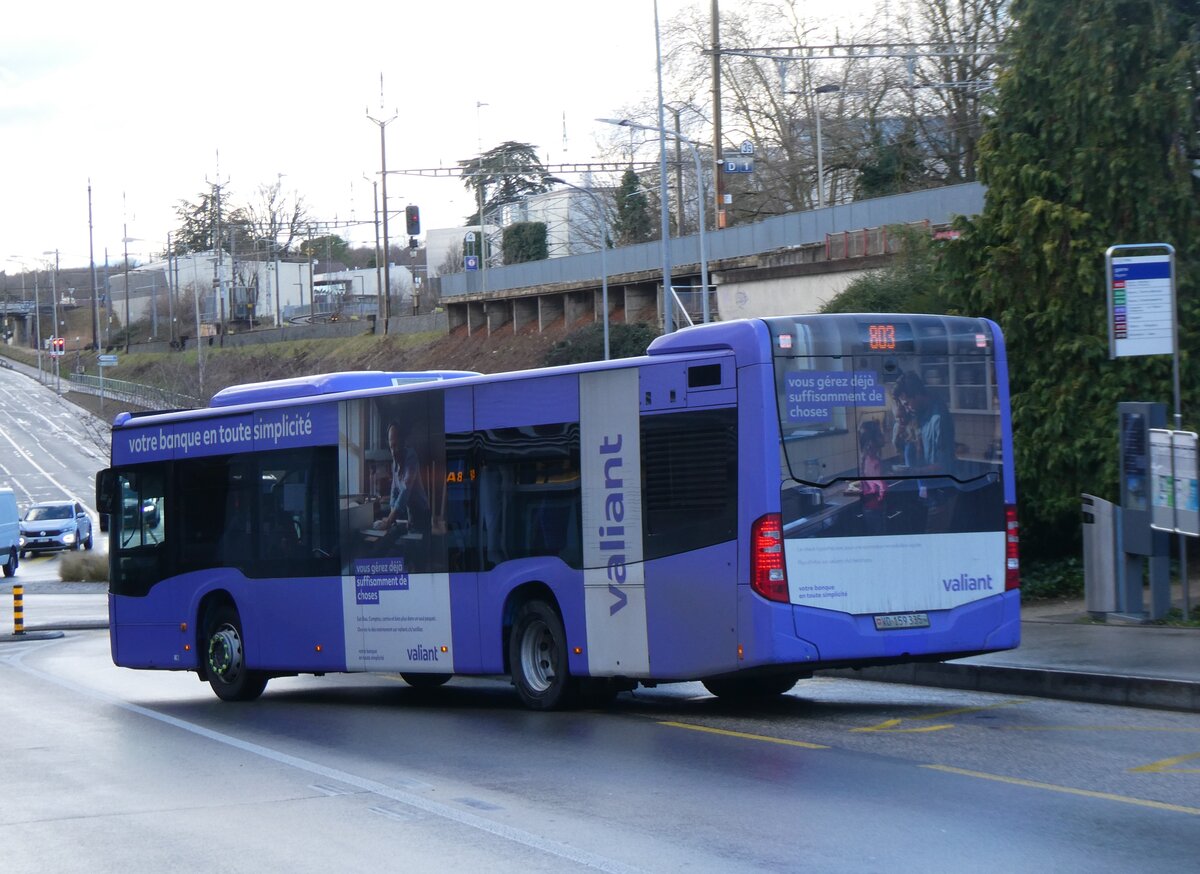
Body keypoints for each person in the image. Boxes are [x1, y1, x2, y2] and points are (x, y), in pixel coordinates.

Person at [891, 371, 958, 532]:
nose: (906, 408)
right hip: (925, 494)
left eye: (907, 403)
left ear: (917, 394)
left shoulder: (938, 419)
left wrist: (912, 472)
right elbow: (907, 447)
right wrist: (898, 433)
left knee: (934, 543)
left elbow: (944, 466)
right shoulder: (918, 413)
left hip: (941, 496)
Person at [373, 423, 431, 536]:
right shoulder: (394, 463)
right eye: (391, 447)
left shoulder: (411, 456)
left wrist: (389, 520)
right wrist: (391, 515)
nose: (393, 452)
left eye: (396, 445)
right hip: (411, 515)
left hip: (422, 514)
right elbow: (394, 491)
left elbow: (405, 490)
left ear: (403, 442)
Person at [857, 419, 888, 535]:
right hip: (874, 506)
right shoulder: (871, 460)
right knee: (878, 534)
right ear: (871, 440)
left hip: (874, 505)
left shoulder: (869, 457)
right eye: (879, 434)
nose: (882, 437)